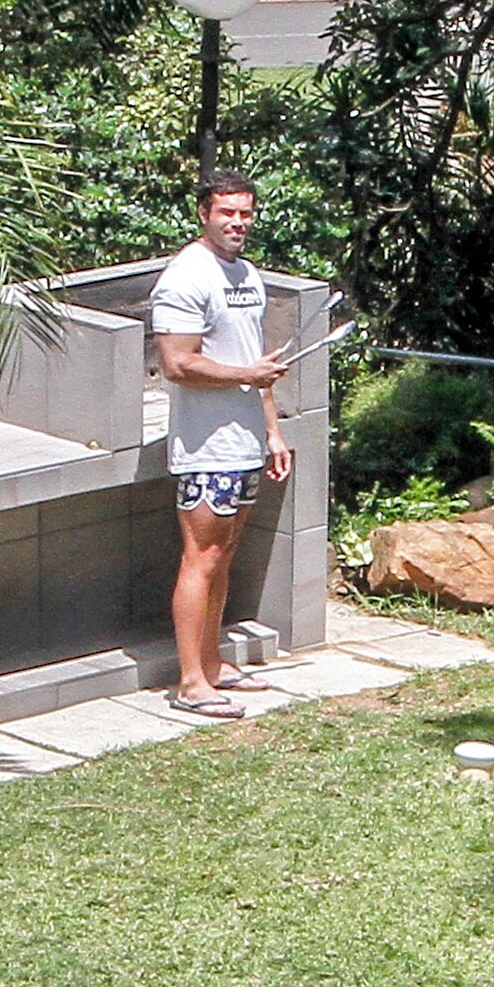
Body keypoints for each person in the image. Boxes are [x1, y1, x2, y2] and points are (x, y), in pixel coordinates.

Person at [148, 171, 293, 716]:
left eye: (245, 213)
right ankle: (191, 683)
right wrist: (245, 375)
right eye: (226, 212)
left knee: (224, 555)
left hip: (245, 442)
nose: (237, 222)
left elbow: (256, 365)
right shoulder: (186, 276)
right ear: (204, 215)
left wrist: (272, 431)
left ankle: (213, 665)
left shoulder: (247, 275)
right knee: (201, 557)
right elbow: (177, 363)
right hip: (205, 447)